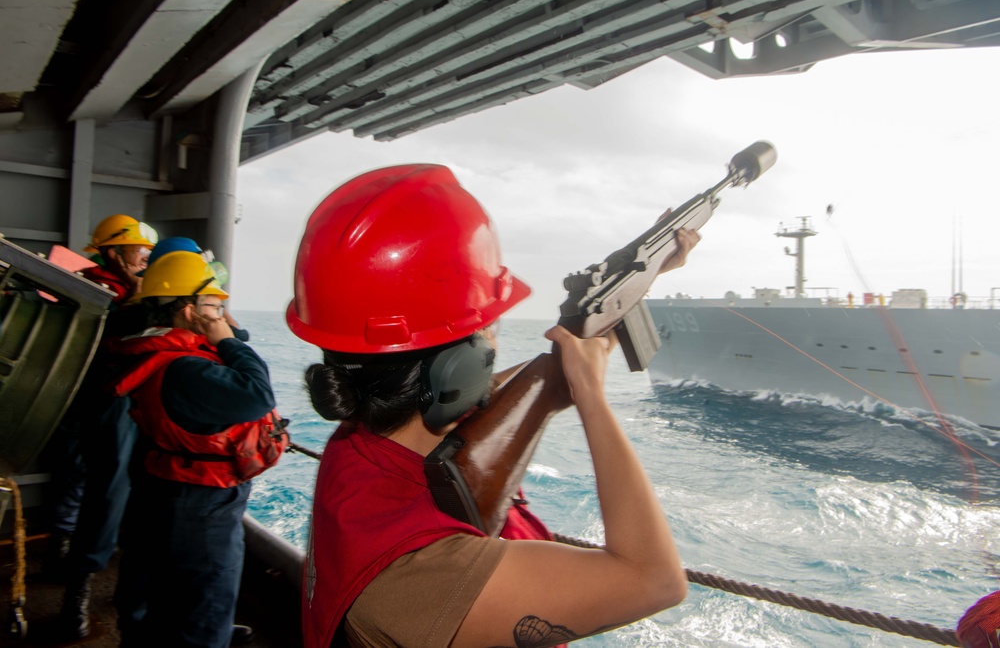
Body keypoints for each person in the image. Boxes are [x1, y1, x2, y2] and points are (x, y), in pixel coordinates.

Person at [287, 164, 692, 647]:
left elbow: (489, 391)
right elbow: (655, 580)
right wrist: (593, 396)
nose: (497, 343)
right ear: (458, 370)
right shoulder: (420, 580)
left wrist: (637, 282)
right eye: (490, 328)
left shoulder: (358, 446)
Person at [57, 237, 252, 640]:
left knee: (151, 529)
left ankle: (154, 613)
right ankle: (79, 589)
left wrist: (218, 320)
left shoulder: (160, 304)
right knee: (108, 499)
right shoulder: (132, 309)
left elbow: (240, 334)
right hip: (122, 417)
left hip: (160, 429)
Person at [108, 250, 285, 648]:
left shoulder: (160, 351)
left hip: (169, 488)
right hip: (203, 505)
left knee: (162, 600)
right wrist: (228, 342)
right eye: (213, 306)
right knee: (204, 611)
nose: (220, 315)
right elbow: (257, 395)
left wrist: (225, 337)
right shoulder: (188, 370)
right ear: (189, 311)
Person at [40, 215, 156, 600]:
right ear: (113, 252)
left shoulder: (115, 285)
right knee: (94, 482)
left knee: (80, 477)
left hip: (92, 397)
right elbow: (116, 326)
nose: (145, 254)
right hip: (101, 399)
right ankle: (76, 580)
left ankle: (66, 560)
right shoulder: (99, 287)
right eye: (138, 248)